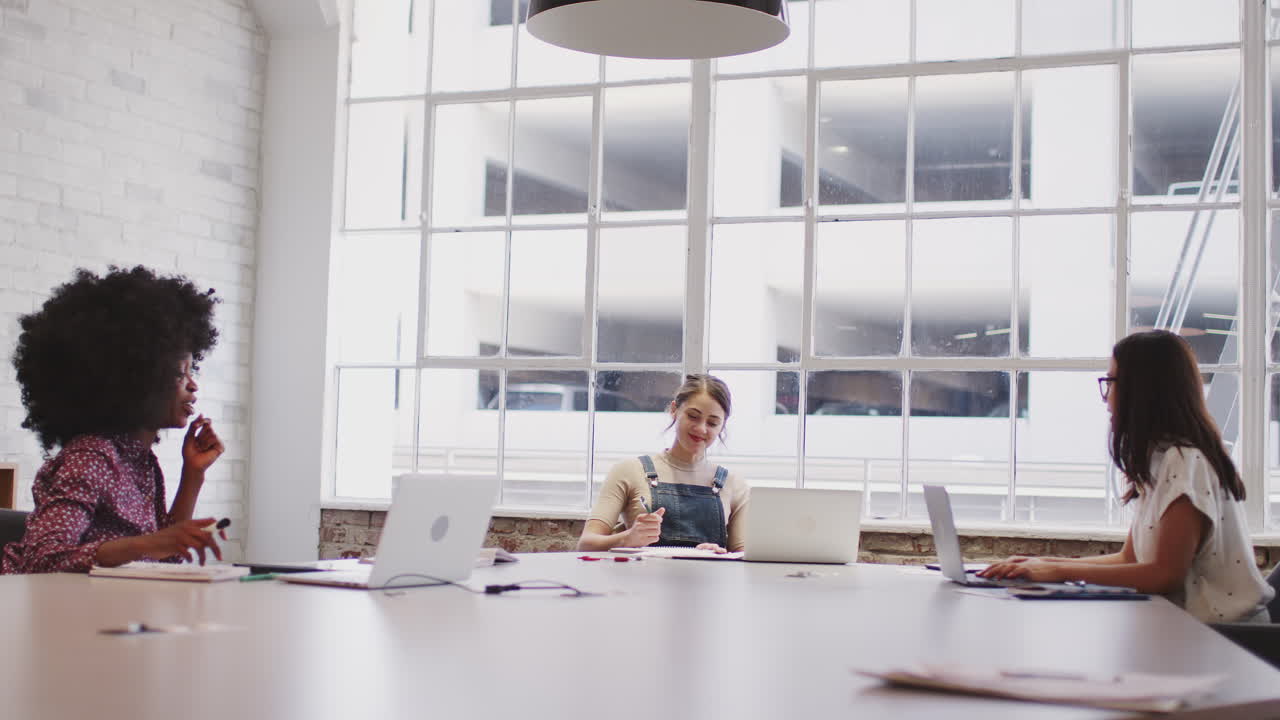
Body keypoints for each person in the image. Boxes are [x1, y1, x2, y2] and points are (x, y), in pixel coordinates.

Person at [980, 330, 1274, 623]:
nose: (1107, 398)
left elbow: (1164, 575)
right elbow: (1129, 559)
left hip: (1227, 638)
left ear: (1142, 390)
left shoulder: (1185, 462)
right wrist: (1044, 563)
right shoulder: (1161, 460)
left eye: (1111, 382)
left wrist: (1059, 572)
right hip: (1190, 629)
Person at [1, 266, 227, 574]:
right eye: (179, 373)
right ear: (136, 378)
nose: (193, 385)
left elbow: (163, 557)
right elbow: (41, 559)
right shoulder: (92, 456)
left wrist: (193, 473)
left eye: (192, 371)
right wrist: (149, 543)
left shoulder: (141, 462)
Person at [578, 374, 750, 553]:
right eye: (693, 416)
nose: (701, 429)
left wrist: (720, 556)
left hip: (708, 580)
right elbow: (586, 545)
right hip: (640, 580)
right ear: (674, 409)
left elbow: (743, 560)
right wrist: (628, 538)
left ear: (722, 426)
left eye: (713, 423)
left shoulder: (734, 485)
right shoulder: (629, 470)